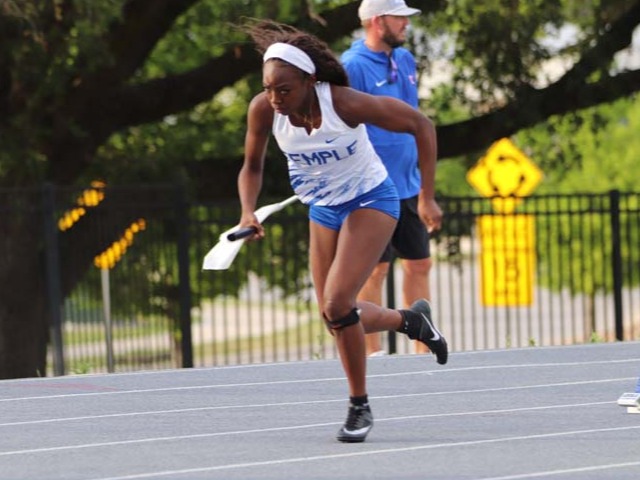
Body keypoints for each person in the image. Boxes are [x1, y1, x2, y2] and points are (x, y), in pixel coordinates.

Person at [236, 20, 447, 444]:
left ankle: (359, 406)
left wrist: (426, 196)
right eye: (268, 89)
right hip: (324, 208)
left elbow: (421, 125)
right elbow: (252, 167)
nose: (275, 99)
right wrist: (247, 212)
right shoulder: (264, 110)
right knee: (333, 315)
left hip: (371, 200)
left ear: (309, 81)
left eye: (284, 90)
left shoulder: (344, 103)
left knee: (337, 303)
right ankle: (410, 320)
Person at [341, 0, 441, 356]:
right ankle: (373, 352)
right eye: (399, 17)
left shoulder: (405, 59)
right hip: (371, 190)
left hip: (407, 185)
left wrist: (426, 193)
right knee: (375, 271)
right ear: (377, 21)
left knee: (420, 263)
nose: (406, 24)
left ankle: (424, 347)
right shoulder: (352, 65)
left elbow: (415, 122)